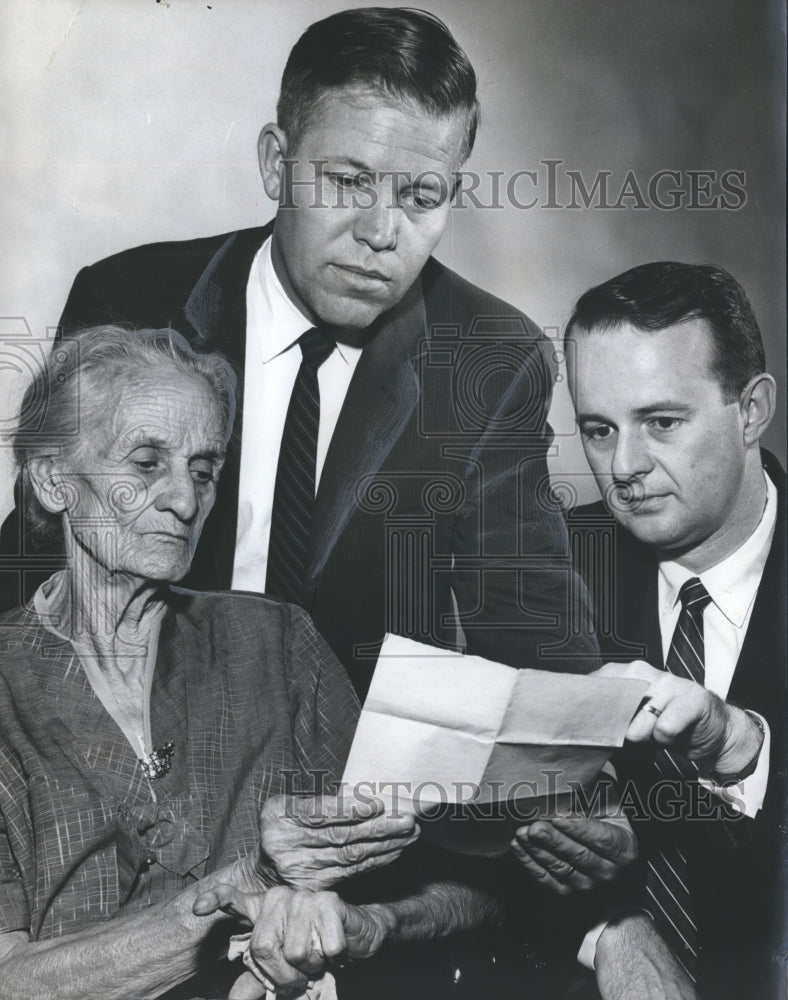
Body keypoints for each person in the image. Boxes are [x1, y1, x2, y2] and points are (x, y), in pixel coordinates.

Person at [0, 6, 598, 695]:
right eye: (348, 181)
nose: (381, 231)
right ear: (275, 164)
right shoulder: (129, 303)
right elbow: (32, 568)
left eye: (421, 196)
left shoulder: (487, 359)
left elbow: (539, 646)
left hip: (356, 783)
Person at [0, 325, 510, 1000]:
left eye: (203, 470)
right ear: (54, 480)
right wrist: (256, 879)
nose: (185, 501)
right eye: (147, 463)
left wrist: (365, 923)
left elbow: (472, 888)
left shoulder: (275, 644)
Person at [514, 262, 785, 999]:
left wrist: (743, 749)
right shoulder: (543, 572)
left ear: (752, 408)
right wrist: (606, 930)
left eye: (661, 422)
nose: (624, 466)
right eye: (598, 430)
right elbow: (470, 844)